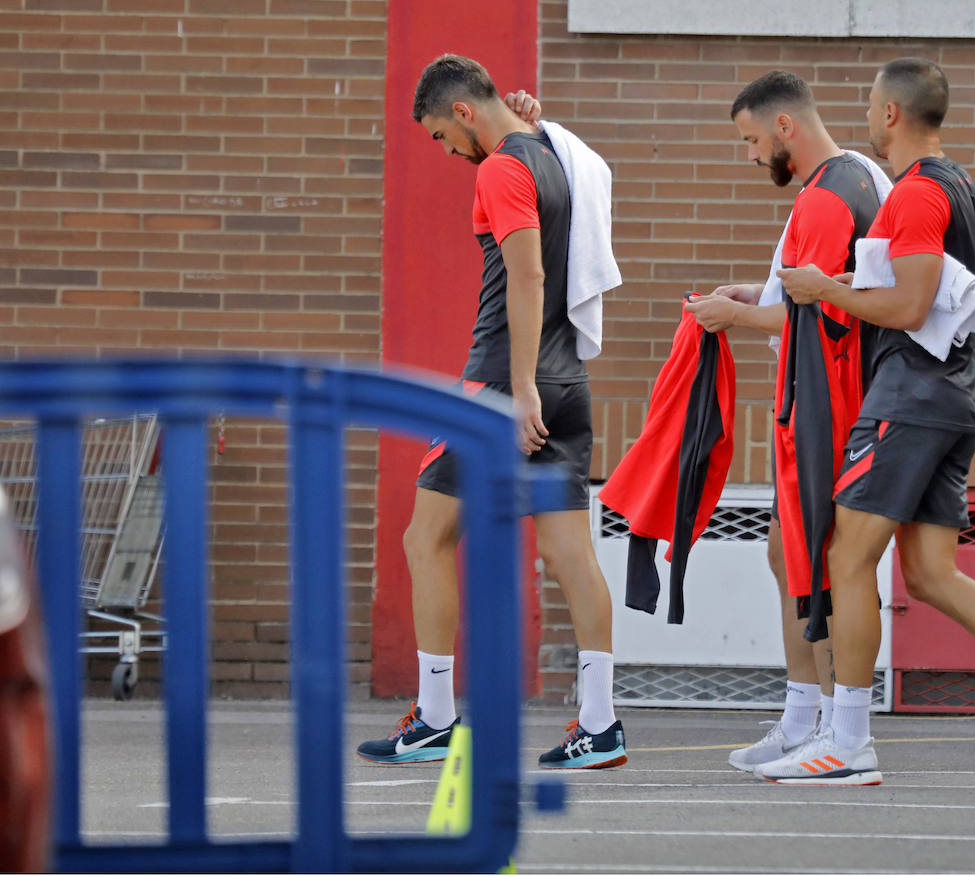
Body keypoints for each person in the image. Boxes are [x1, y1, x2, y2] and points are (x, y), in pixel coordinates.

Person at [764, 57, 975, 788]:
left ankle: (848, 741)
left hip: (910, 401)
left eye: (870, 105)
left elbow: (911, 306)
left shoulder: (917, 192)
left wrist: (825, 289)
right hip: (953, 400)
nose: (865, 116)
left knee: (845, 559)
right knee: (927, 573)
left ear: (890, 113)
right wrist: (854, 285)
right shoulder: (963, 188)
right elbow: (974, 293)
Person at [356, 55, 626, 770]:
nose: (447, 152)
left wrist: (520, 386)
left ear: (464, 111)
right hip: (568, 379)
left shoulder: (503, 167)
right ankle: (600, 726)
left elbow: (528, 274)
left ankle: (435, 719)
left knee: (426, 538)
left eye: (442, 136)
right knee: (570, 554)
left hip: (507, 386)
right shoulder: (556, 153)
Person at [683, 70, 884, 774]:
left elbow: (819, 316)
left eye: (751, 140)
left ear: (784, 127)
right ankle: (808, 717)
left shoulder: (826, 197)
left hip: (829, 405)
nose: (750, 155)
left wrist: (734, 316)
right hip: (830, 398)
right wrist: (755, 293)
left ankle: (834, 726)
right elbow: (808, 295)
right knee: (791, 555)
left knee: (820, 562)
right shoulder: (852, 176)